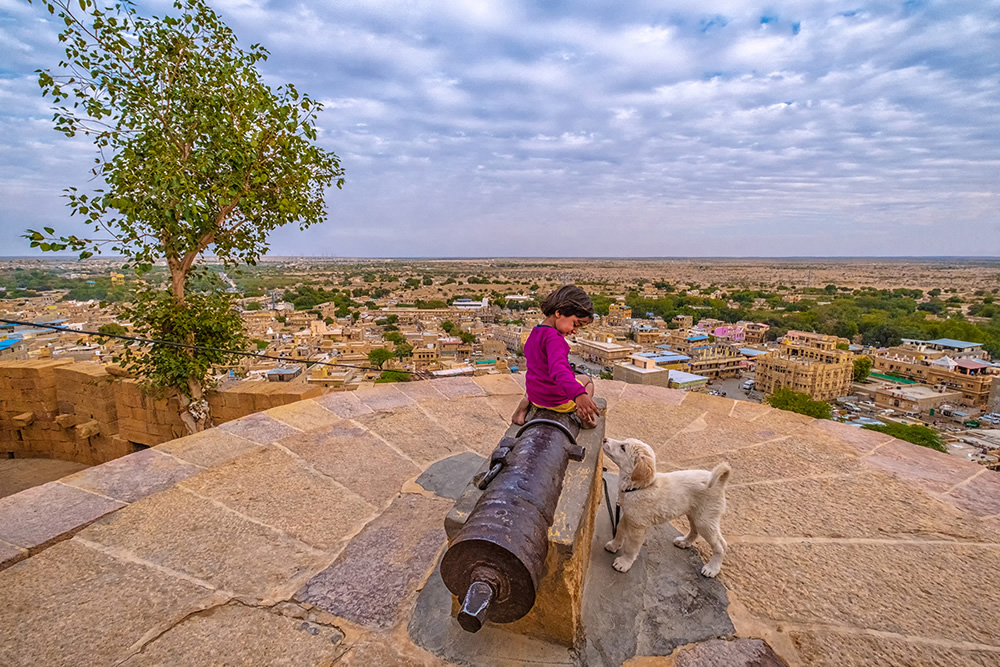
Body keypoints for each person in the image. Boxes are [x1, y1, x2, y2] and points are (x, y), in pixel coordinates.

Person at [511, 285, 600, 428]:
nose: (575, 331)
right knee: (587, 381)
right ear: (559, 313)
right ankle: (584, 415)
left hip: (536, 396)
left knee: (538, 374)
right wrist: (579, 395)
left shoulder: (536, 332)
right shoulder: (555, 339)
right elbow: (559, 371)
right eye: (575, 324)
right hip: (557, 401)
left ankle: (522, 409)